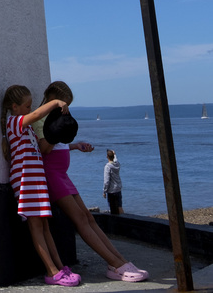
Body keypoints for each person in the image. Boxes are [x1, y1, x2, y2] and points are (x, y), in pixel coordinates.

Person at [35, 81, 147, 282]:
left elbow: (59, 145)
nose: (65, 109)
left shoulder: (52, 118)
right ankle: (115, 264)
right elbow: (44, 149)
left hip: (62, 174)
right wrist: (57, 130)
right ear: (53, 100)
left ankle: (119, 260)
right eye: (63, 104)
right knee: (80, 219)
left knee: (88, 217)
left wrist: (75, 145)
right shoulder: (40, 118)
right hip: (52, 175)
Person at [1, 84, 81, 286]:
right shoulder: (14, 122)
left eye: (30, 106)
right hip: (26, 182)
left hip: (36, 182)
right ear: (14, 106)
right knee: (36, 226)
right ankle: (51, 271)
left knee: (45, 226)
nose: (30, 109)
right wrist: (55, 102)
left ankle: (59, 266)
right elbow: (37, 114)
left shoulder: (25, 128)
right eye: (27, 106)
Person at [104, 150, 124, 214]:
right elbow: (116, 159)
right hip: (118, 188)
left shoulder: (107, 167)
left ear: (107, 156)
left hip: (111, 191)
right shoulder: (117, 164)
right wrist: (114, 154)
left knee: (113, 209)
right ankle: (124, 219)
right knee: (119, 206)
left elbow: (106, 181)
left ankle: (115, 222)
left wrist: (104, 191)